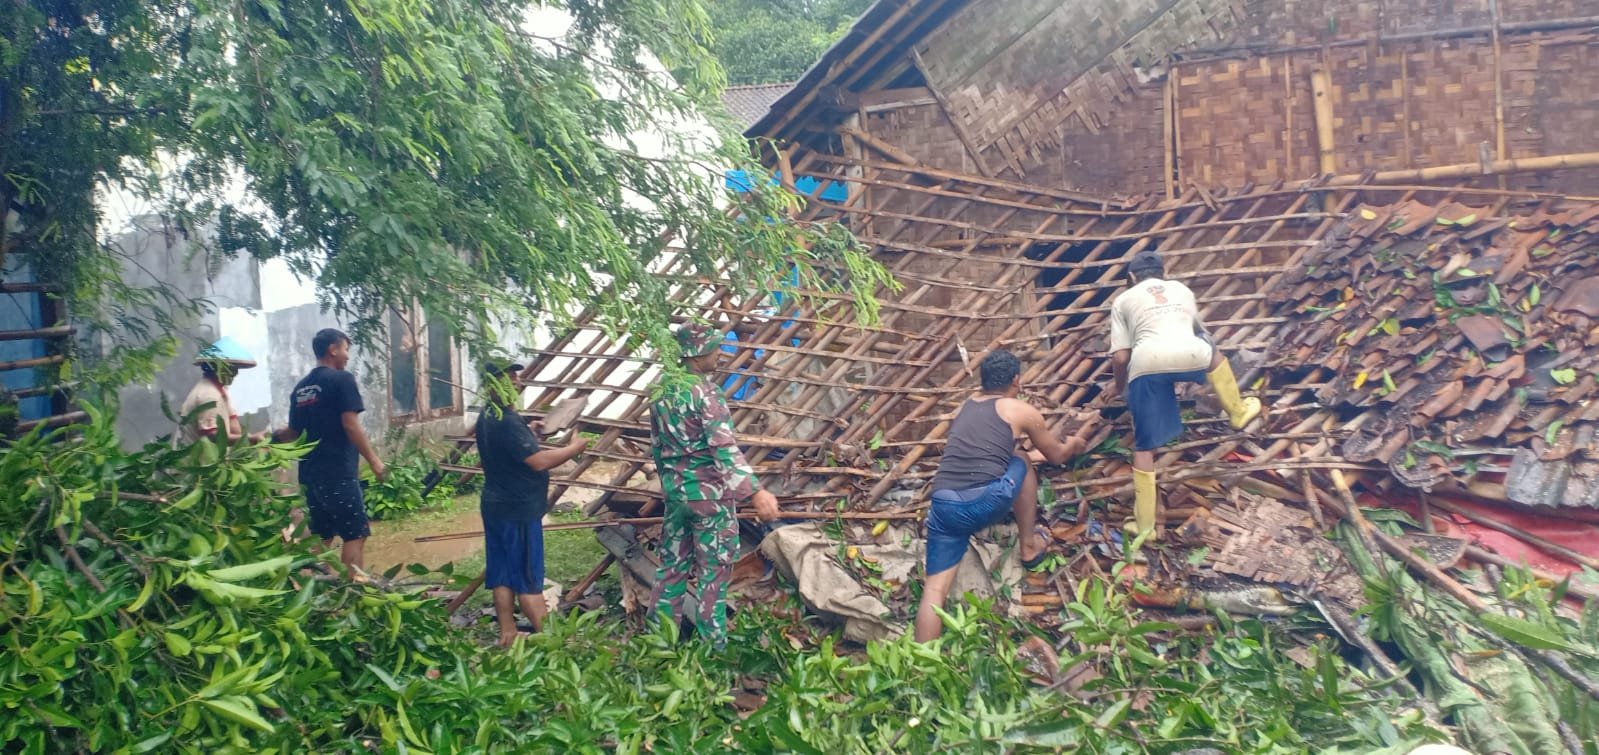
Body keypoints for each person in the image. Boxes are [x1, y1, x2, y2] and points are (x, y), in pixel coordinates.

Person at [915, 349, 1094, 642]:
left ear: (983, 380)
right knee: (1021, 459)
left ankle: (920, 663)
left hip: (943, 504)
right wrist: (1074, 444)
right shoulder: (1019, 410)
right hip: (982, 502)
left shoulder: (966, 406)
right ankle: (1029, 546)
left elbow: (984, 451)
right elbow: (1057, 455)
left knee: (934, 591)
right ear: (1016, 380)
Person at [1107, 251, 1261, 540]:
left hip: (1148, 365)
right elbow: (1200, 332)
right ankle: (1238, 411)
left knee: (1144, 448)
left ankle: (1145, 527)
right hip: (1194, 356)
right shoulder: (1182, 290)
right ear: (1164, 274)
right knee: (1210, 348)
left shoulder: (1123, 300)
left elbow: (1120, 357)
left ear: (1131, 277)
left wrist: (1119, 387)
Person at [648, 322, 780, 649]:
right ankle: (713, 652)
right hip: (710, 500)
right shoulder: (705, 393)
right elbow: (723, 448)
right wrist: (755, 491)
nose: (720, 352)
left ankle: (657, 645)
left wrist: (671, 486)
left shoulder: (662, 390)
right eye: (715, 348)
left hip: (677, 496)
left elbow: (657, 446)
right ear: (697, 354)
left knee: (671, 570)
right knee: (713, 576)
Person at [475, 358, 589, 647]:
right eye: (509, 378)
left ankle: (508, 632)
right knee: (528, 578)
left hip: (495, 504)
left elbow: (512, 447)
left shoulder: (489, 414)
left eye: (516, 377)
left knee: (502, 573)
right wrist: (573, 448)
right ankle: (555, 643)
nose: (517, 382)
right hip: (518, 509)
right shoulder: (507, 421)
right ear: (492, 384)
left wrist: (529, 430)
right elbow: (538, 462)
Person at [280, 328, 387, 578]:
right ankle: (352, 589)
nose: (348, 356)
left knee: (322, 534)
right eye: (346, 349)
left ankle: (318, 587)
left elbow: (293, 433)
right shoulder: (342, 380)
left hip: (310, 475)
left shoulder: (301, 389)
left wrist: (269, 437)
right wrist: (374, 461)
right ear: (333, 349)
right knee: (355, 533)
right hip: (337, 472)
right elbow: (350, 424)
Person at [179, 337, 265, 445]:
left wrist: (253, 439)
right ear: (216, 367)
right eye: (232, 368)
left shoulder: (219, 390)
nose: (235, 373)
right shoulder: (209, 395)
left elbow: (234, 427)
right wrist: (251, 439)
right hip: (198, 455)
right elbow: (212, 436)